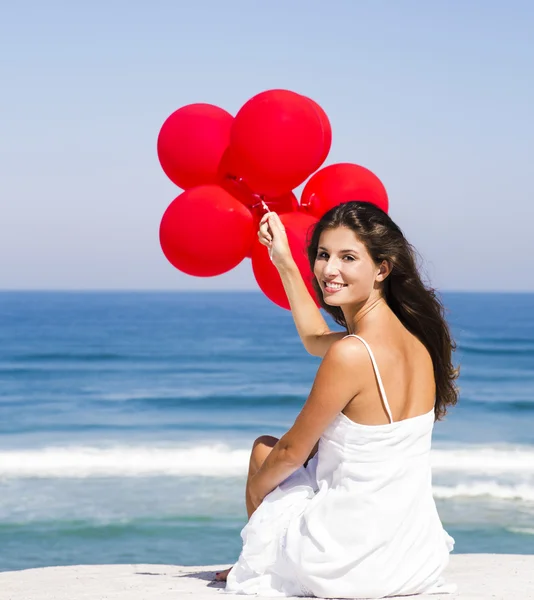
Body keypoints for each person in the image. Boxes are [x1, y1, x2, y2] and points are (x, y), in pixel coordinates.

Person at [217, 201, 459, 598]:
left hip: (350, 563)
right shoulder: (419, 339)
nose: (329, 269)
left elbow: (291, 452)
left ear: (382, 268)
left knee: (266, 452)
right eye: (324, 255)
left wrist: (256, 515)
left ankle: (260, 563)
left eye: (348, 257)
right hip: (412, 558)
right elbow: (314, 338)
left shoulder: (352, 353)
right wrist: (284, 262)